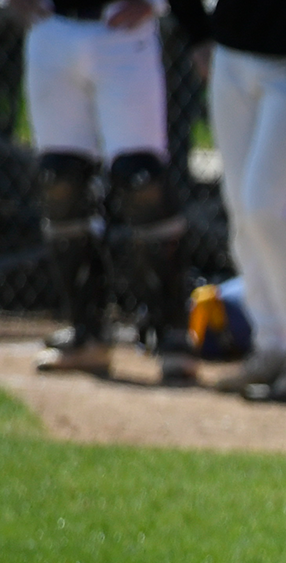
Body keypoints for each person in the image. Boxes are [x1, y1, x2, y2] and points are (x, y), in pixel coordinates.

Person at [171, 0, 286, 401]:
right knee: (239, 206)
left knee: (264, 207)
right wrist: (197, 31)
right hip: (231, 55)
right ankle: (271, 342)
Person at [12, 0, 196, 383]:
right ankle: (87, 332)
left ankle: (172, 334)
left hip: (122, 33)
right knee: (60, 180)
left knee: (141, 180)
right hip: (51, 27)